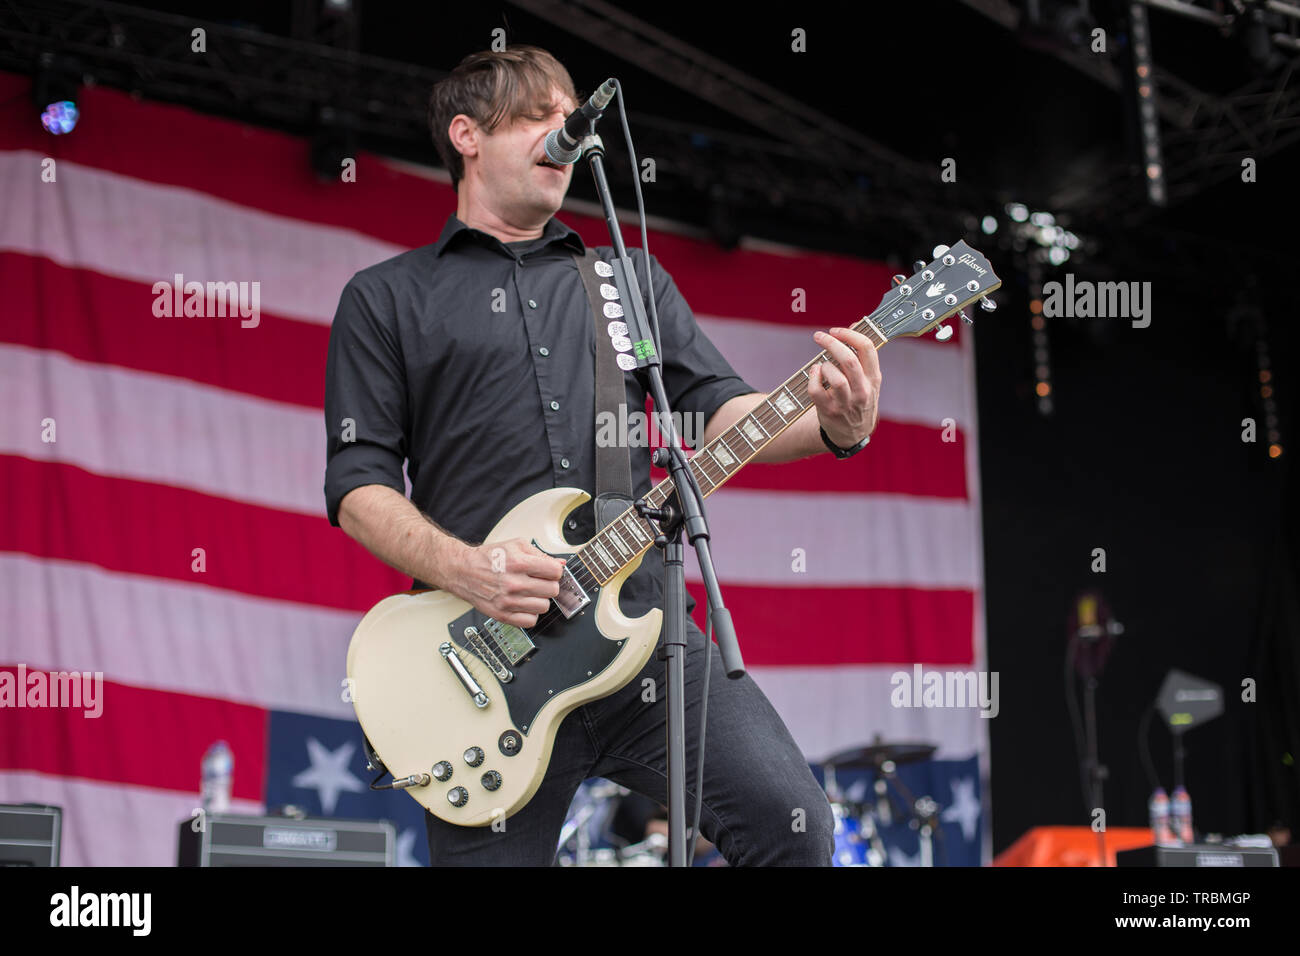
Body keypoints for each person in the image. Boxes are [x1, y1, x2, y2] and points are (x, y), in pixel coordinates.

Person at [324, 45, 881, 866]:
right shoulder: (387, 297)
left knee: (792, 826)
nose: (567, 130)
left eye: (572, 114)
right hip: (486, 667)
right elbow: (356, 484)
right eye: (541, 114)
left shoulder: (627, 279)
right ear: (467, 135)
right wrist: (471, 569)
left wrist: (839, 425)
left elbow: (723, 415)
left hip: (646, 634)